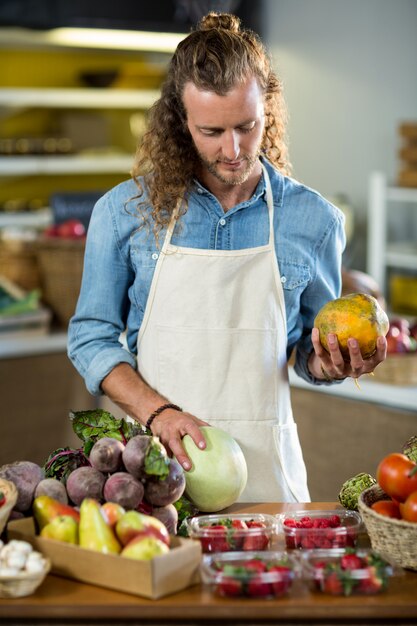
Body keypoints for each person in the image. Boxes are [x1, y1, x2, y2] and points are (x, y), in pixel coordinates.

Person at [68, 12, 387, 503]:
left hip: (267, 480)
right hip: (155, 475)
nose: (234, 150)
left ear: (269, 111)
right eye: (212, 131)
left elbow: (304, 353)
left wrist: (333, 363)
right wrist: (159, 413)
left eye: (247, 126)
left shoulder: (315, 221)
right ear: (181, 121)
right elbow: (90, 337)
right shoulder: (124, 212)